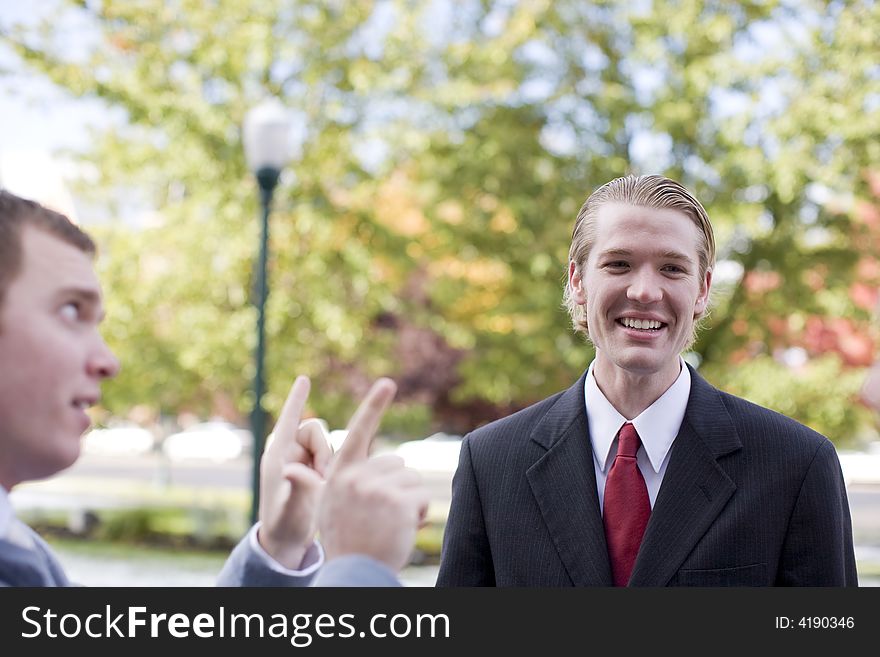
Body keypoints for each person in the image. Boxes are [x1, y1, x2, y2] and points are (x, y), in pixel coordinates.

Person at [437, 174, 858, 587]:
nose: (644, 291)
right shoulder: (490, 463)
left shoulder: (796, 465)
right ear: (578, 281)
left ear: (702, 290)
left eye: (672, 268)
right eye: (619, 264)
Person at [0, 189, 427, 587]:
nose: (108, 361)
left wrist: (280, 544)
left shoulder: (21, 550)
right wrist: (357, 567)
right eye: (72, 310)